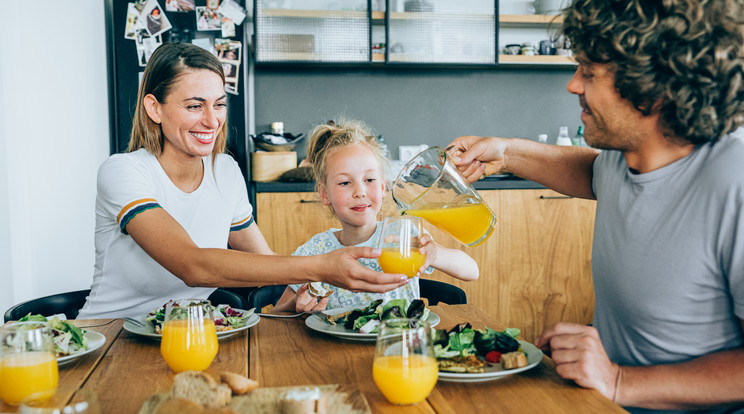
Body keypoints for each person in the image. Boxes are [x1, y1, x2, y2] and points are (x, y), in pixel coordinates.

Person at [447, 0, 744, 413]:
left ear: (653, 84)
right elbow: (592, 174)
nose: (573, 85)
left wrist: (619, 379)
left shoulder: (734, 180)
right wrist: (507, 152)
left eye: (588, 72)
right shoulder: (626, 158)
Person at [77, 43, 407, 320]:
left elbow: (265, 264)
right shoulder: (123, 172)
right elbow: (193, 266)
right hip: (111, 338)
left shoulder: (225, 171)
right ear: (154, 108)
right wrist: (321, 267)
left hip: (187, 334)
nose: (212, 120)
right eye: (195, 106)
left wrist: (302, 292)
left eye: (219, 104)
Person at [272, 120, 478, 313]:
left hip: (399, 344)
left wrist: (434, 255)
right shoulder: (315, 251)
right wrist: (297, 305)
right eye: (345, 183)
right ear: (325, 194)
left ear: (382, 187)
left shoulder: (402, 239)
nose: (360, 191)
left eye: (369, 179)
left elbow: (471, 271)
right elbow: (277, 314)